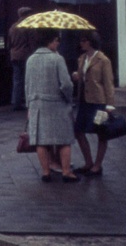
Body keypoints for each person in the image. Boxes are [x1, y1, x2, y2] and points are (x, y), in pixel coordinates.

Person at [24, 29, 79, 183]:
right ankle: (67, 172)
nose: (58, 43)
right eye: (56, 40)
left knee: (41, 140)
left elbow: (27, 85)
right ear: (50, 41)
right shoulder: (57, 59)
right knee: (64, 139)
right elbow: (66, 84)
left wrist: (29, 105)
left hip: (37, 105)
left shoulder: (31, 59)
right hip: (57, 104)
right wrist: (69, 98)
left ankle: (45, 172)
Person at [71, 31, 115, 177]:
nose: (81, 43)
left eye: (84, 41)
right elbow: (82, 76)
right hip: (84, 101)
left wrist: (109, 104)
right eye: (81, 41)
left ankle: (98, 165)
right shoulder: (82, 58)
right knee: (78, 131)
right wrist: (77, 76)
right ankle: (88, 162)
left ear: (91, 42)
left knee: (101, 132)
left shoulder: (103, 60)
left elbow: (108, 83)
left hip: (99, 102)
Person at [8, 7, 36, 110]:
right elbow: (32, 43)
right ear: (27, 15)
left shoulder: (13, 27)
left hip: (14, 55)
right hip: (25, 56)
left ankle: (15, 102)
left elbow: (9, 43)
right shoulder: (28, 27)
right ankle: (28, 102)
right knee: (27, 80)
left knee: (16, 80)